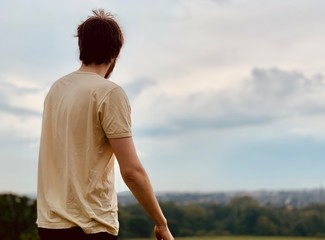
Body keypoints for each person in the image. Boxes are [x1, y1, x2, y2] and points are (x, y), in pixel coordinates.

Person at [37, 9, 174, 240]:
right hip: (91, 227)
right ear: (116, 52)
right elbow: (131, 171)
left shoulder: (57, 89)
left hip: (49, 225)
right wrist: (161, 223)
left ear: (81, 47)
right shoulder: (109, 93)